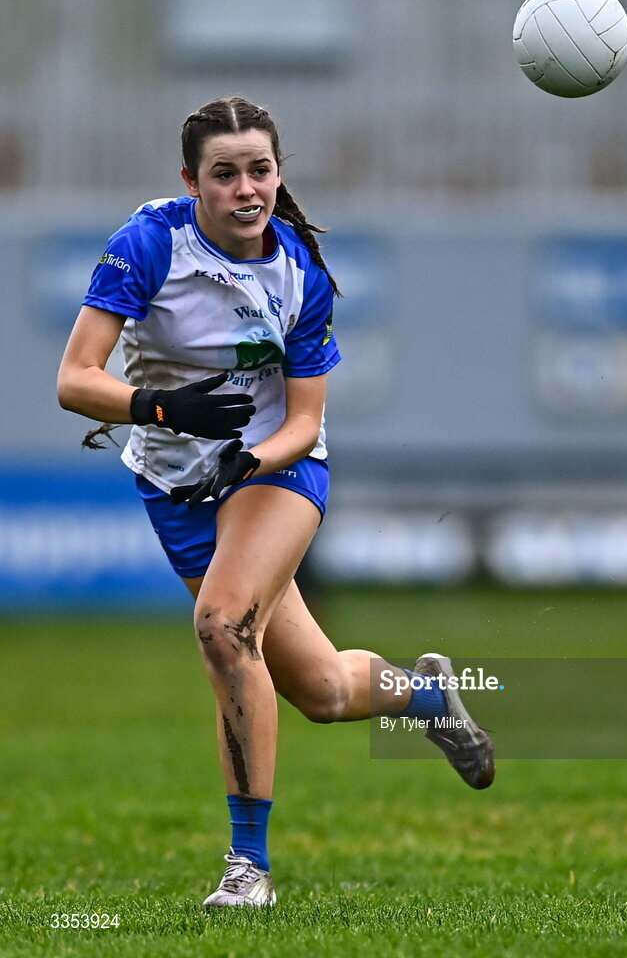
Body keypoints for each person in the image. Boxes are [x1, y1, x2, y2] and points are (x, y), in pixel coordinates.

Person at [56, 96, 494, 908]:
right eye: (224, 174)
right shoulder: (149, 244)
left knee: (222, 625)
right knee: (322, 691)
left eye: (260, 169)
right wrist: (161, 407)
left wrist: (247, 460)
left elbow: (305, 423)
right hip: (175, 481)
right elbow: (74, 380)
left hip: (276, 473)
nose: (246, 188)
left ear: (279, 173)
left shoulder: (300, 273)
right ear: (192, 182)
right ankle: (427, 694)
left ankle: (247, 868)